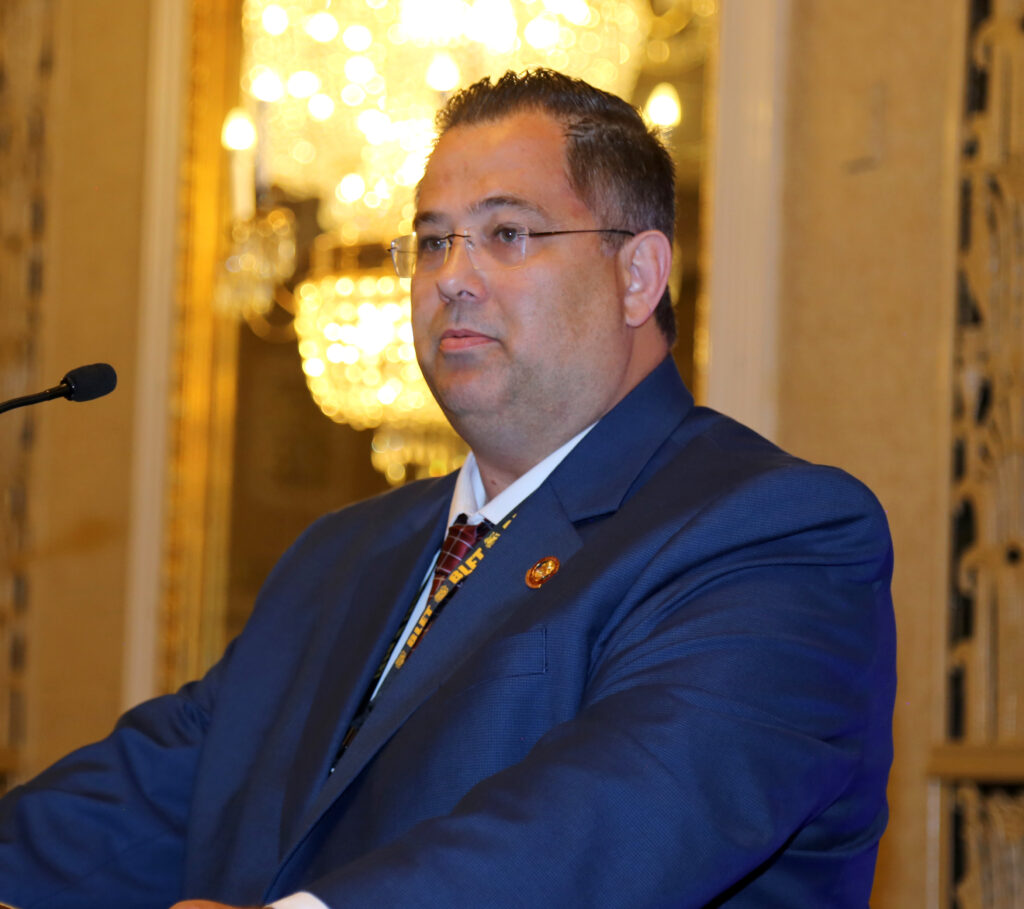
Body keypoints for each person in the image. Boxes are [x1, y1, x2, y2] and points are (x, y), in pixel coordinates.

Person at [0, 69, 895, 909]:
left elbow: (603, 828)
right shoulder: (342, 553)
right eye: (433, 242)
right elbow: (152, 794)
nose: (452, 278)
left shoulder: (774, 535)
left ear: (638, 275)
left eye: (508, 234)